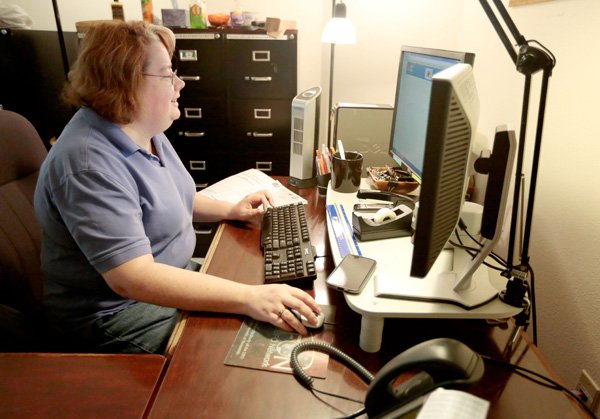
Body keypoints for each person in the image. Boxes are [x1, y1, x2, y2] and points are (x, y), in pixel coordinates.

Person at [34, 21, 321, 354]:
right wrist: (248, 298)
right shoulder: (88, 164)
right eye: (168, 73)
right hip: (113, 315)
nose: (180, 84)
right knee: (250, 344)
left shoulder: (143, 128)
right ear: (126, 82)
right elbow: (132, 278)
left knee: (270, 299)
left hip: (168, 276)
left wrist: (229, 209)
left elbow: (167, 198)